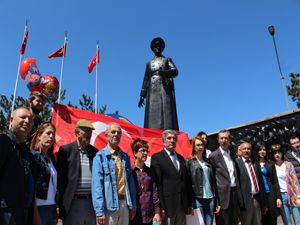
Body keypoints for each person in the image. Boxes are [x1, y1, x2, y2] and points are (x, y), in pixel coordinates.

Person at [92, 123, 136, 225]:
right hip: (108, 206)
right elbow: (97, 186)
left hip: (124, 204)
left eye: (118, 132)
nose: (116, 134)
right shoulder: (99, 157)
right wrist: (99, 211)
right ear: (106, 135)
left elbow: (130, 184)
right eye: (113, 132)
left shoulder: (125, 157)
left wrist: (132, 206)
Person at [57, 119, 98, 225]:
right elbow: (60, 180)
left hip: (91, 203)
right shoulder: (65, 151)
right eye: (86, 131)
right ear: (77, 133)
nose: (89, 134)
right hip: (72, 203)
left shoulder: (95, 152)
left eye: (90, 132)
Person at [151, 129, 193, 225]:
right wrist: (161, 206)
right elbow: (158, 184)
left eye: (174, 138)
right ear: (163, 141)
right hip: (168, 205)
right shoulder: (157, 158)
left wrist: (189, 203)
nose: (172, 140)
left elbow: (186, 182)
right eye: (169, 138)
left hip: (182, 205)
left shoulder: (181, 158)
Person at [0, 107, 34, 225]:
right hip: (5, 212)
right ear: (11, 120)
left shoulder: (25, 150)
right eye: (23, 117)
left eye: (30, 119)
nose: (27, 121)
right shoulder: (3, 141)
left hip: (21, 212)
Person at [138, 37, 179, 130]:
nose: (157, 47)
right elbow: (145, 79)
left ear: (162, 47)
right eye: (155, 46)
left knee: (166, 113)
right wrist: (142, 96)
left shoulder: (167, 60)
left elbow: (175, 71)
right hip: (152, 91)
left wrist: (165, 73)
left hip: (164, 88)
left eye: (159, 46)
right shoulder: (149, 63)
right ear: (153, 48)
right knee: (152, 115)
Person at [209, 129, 242, 225]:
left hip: (235, 193)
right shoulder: (213, 156)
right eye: (221, 138)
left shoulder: (232, 154)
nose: (224, 140)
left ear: (229, 140)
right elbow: (212, 180)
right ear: (218, 140)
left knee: (234, 221)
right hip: (222, 197)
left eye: (226, 138)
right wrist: (216, 201)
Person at [30, 123, 57, 225]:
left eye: (53, 134)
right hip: (38, 207)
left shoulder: (51, 159)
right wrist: (35, 213)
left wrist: (55, 207)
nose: (51, 136)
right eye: (48, 133)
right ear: (39, 136)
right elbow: (31, 187)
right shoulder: (33, 157)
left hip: (51, 206)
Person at [130, 138, 161, 225]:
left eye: (146, 150)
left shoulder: (150, 171)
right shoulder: (130, 172)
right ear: (135, 153)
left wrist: (157, 212)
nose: (145, 153)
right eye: (142, 150)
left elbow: (155, 192)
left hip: (150, 215)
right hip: (135, 215)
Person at [235, 141, 267, 225]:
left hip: (257, 199)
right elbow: (237, 185)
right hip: (245, 203)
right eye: (244, 149)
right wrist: (239, 205)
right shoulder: (236, 164)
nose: (246, 150)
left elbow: (261, 184)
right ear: (241, 151)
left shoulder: (256, 164)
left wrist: (264, 203)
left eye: (248, 149)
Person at [186, 136, 216, 225]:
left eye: (202, 145)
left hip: (210, 198)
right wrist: (190, 203)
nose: (200, 147)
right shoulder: (189, 161)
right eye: (198, 145)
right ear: (194, 147)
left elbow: (213, 180)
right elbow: (187, 183)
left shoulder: (208, 161)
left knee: (209, 223)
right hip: (197, 198)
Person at [272, 144, 300, 225]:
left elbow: (295, 181)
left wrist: (298, 197)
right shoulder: (272, 166)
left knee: (298, 220)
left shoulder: (288, 164)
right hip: (281, 196)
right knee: (287, 221)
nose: (277, 155)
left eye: (279, 152)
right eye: (275, 153)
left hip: (292, 195)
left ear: (282, 153)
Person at [255, 142, 282, 225]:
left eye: (264, 149)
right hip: (260, 195)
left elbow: (275, 181)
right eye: (260, 150)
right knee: (263, 219)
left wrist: (278, 197)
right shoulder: (254, 164)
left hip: (271, 194)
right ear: (257, 151)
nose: (262, 151)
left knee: (273, 218)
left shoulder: (271, 164)